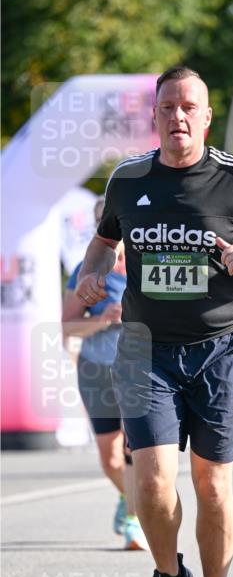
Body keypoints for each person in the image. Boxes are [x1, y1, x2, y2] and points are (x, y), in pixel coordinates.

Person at [75, 66, 233, 577]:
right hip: (146, 348)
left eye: (188, 107)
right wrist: (90, 276)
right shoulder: (127, 180)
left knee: (213, 485)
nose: (178, 116)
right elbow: (102, 245)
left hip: (220, 348)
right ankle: (169, 575)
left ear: (206, 116)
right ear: (155, 115)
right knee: (148, 481)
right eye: (167, 106)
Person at [62, 197, 148, 551]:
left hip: (140, 368)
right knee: (111, 458)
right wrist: (103, 318)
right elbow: (66, 329)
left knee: (133, 449)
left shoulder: (147, 266)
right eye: (102, 222)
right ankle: (128, 499)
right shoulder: (86, 270)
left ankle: (134, 520)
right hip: (96, 369)